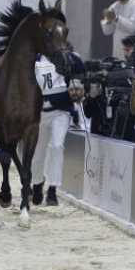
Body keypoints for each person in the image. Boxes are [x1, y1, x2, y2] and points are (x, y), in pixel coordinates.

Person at [31, 53, 85, 206]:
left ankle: (53, 189)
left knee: (56, 146)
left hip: (61, 111)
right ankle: (37, 183)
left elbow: (80, 80)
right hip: (39, 113)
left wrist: (78, 88)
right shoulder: (33, 60)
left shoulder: (69, 58)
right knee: (38, 152)